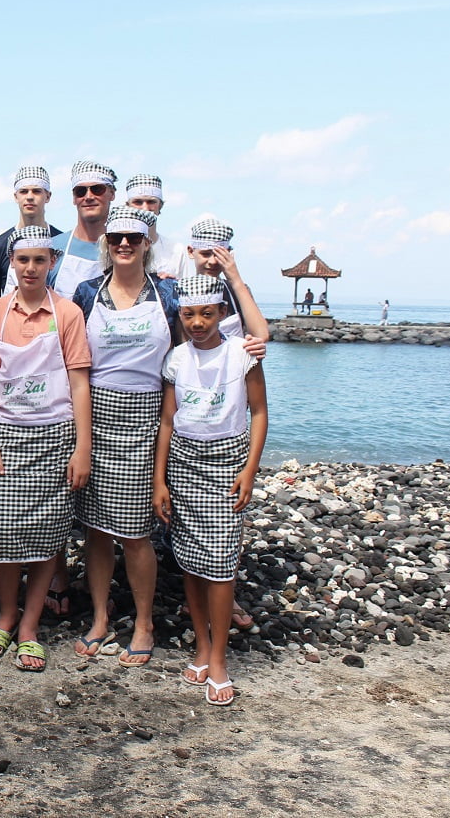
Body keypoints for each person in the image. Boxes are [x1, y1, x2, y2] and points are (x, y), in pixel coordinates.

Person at [64, 206, 181, 664]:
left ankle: (145, 622)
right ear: (106, 243)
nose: (125, 244)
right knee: (95, 530)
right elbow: (73, 359)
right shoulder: (87, 292)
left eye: (134, 237)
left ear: (147, 242)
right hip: (94, 416)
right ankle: (99, 616)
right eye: (116, 238)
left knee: (134, 533)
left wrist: (249, 348)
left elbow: (189, 352)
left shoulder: (168, 293)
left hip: (145, 419)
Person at [0, 225, 92, 673]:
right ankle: (7, 614)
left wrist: (82, 447)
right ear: (11, 262)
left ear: (52, 262)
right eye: (23, 260)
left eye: (39, 260)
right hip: (9, 434)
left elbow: (78, 381)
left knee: (48, 532)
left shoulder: (67, 313)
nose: (30, 268)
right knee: (4, 529)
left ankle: (30, 624)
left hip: (55, 435)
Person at [153, 275, 268, 706]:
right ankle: (201, 646)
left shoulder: (242, 355)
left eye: (206, 314)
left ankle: (219, 659)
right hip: (184, 465)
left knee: (220, 565)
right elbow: (168, 421)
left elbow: (259, 412)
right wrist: (159, 480)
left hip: (227, 464)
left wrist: (250, 470)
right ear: (180, 315)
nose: (198, 322)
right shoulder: (176, 359)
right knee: (190, 560)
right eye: (189, 315)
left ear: (222, 312)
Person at [0, 166, 63, 295]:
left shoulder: (61, 242)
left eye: (36, 191)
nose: (29, 197)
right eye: (24, 191)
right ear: (16, 196)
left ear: (48, 196)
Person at [44, 160, 118, 297]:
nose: (89, 197)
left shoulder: (126, 248)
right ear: (74, 198)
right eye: (81, 191)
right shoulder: (51, 248)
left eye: (97, 189)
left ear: (112, 194)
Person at [124, 174, 188, 279]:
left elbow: (184, 286)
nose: (145, 208)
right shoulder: (118, 247)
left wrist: (171, 284)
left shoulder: (176, 250)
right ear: (128, 206)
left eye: (151, 202)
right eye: (138, 202)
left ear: (160, 206)